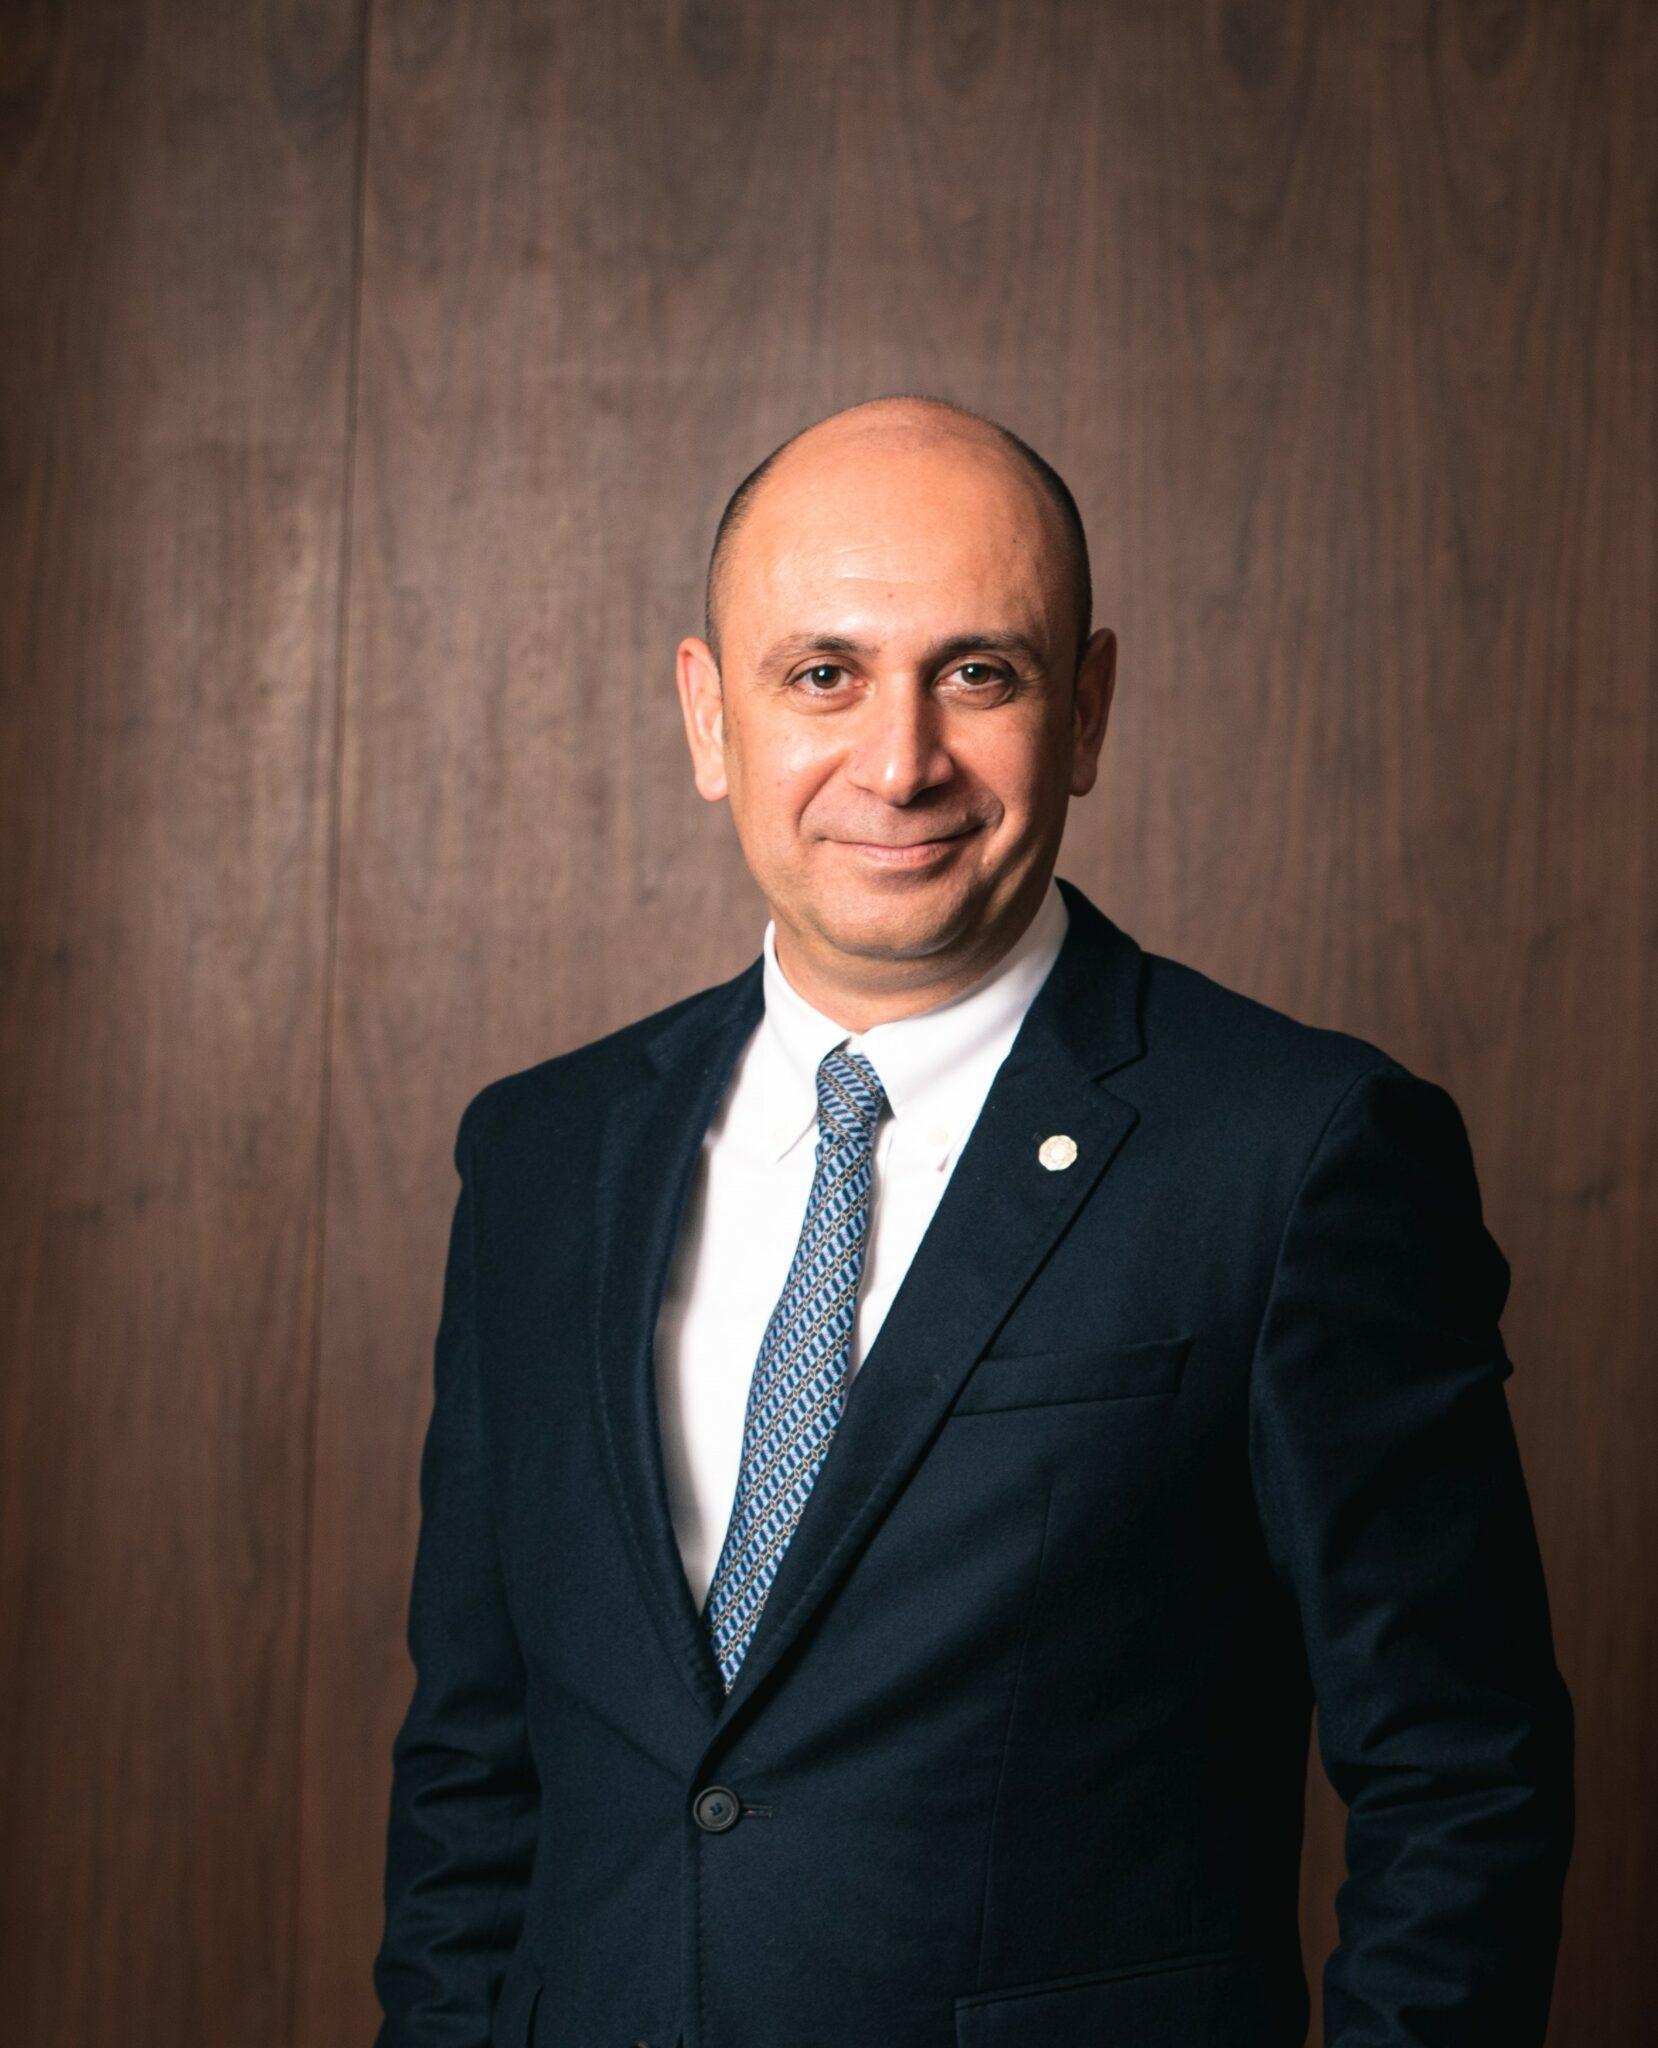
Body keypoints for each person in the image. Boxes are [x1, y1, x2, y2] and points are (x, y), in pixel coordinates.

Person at [371, 397, 1573, 2048]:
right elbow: (473, 1770)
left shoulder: (1297, 1155)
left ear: (1083, 712)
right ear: (708, 717)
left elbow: (1461, 1778)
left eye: (978, 674)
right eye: (822, 675)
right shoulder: (539, 1156)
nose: (899, 760)